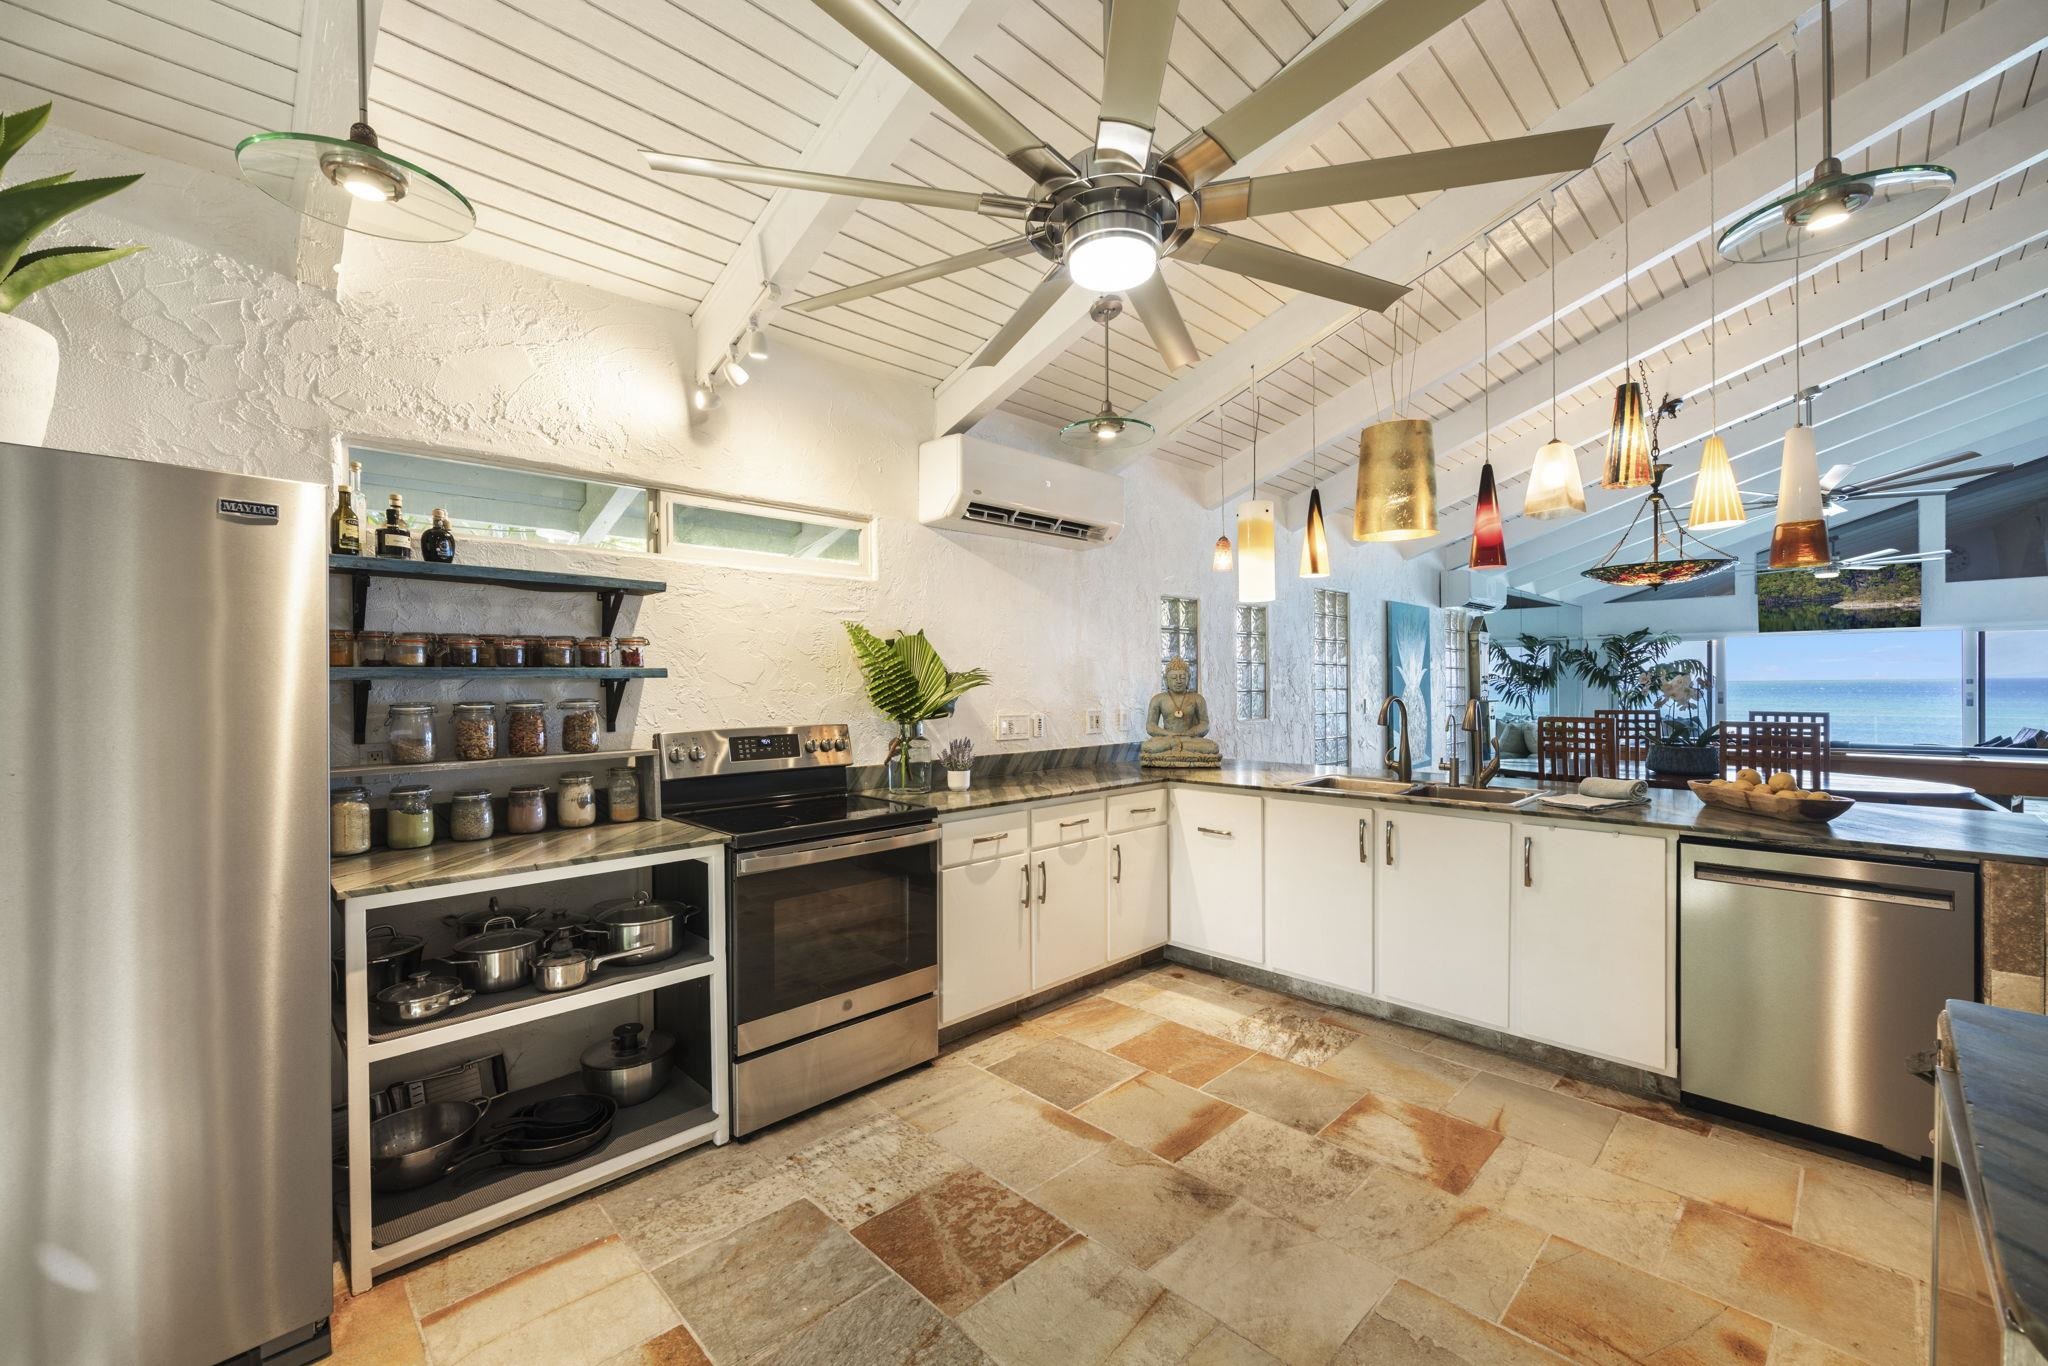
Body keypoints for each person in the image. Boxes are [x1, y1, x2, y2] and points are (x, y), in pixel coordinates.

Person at [1141, 657, 1222, 768]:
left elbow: (1205, 724)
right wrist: (1168, 734)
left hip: (1190, 739)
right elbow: (1150, 726)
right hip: (1167, 738)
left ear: (1188, 678)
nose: (1178, 681)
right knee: (1147, 746)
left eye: (1182, 677)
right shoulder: (1158, 699)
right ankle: (1178, 746)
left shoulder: (1197, 698)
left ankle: (1178, 746)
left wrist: (1190, 733)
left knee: (1213, 747)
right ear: (1166, 680)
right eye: (1174, 677)